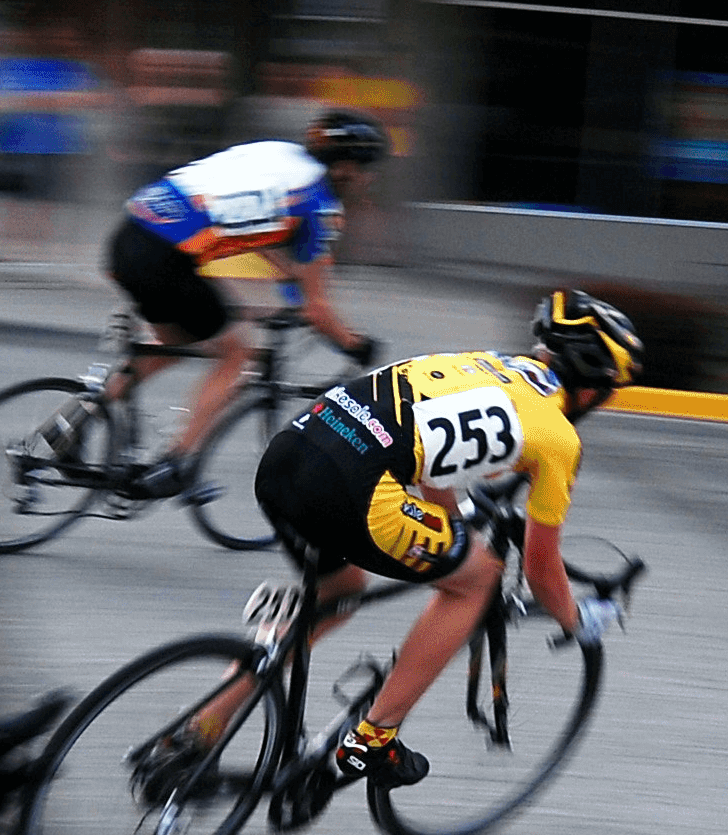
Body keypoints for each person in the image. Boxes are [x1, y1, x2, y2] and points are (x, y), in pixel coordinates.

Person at [238, 290, 642, 792]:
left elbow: (432, 458)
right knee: (477, 580)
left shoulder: (488, 366)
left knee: (341, 593)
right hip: (351, 492)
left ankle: (197, 733)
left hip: (291, 453)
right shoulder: (559, 439)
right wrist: (576, 621)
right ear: (591, 389)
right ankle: (373, 739)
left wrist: (453, 525)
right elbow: (540, 570)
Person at [108, 112, 387, 498]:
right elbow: (317, 310)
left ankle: (82, 415)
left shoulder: (280, 155)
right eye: (366, 168)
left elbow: (258, 225)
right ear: (344, 167)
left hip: (130, 234)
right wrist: (357, 346)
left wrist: (291, 281)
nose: (369, 178)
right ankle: (176, 464)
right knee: (239, 353)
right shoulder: (319, 206)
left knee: (176, 341)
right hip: (166, 259)